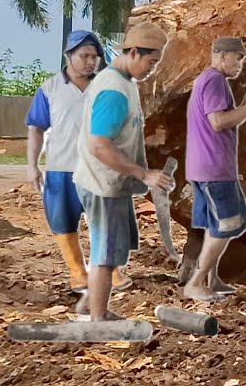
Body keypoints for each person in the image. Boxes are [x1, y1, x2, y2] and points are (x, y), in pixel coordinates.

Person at [74, 22, 175, 321]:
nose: (152, 69)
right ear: (133, 52)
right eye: (151, 62)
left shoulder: (124, 82)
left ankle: (88, 306)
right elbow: (99, 146)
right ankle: (98, 318)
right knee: (105, 254)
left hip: (111, 182)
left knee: (115, 249)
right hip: (101, 182)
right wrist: (143, 174)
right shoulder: (114, 90)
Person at [25, 30, 127, 294]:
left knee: (103, 221)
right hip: (60, 170)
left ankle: (111, 270)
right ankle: (77, 273)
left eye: (94, 56)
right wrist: (32, 165)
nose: (90, 61)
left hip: (96, 169)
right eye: (84, 55)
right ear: (68, 56)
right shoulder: (49, 89)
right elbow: (36, 128)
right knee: (61, 221)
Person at [181, 37, 246, 302]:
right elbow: (218, 121)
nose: (240, 64)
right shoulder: (214, 81)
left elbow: (223, 115)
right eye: (238, 58)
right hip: (213, 168)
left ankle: (213, 278)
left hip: (210, 166)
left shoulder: (208, 81)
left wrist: (242, 106)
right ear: (222, 56)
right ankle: (196, 283)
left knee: (233, 220)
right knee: (227, 222)